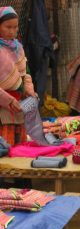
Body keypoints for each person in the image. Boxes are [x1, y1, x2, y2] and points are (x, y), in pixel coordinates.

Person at [0, 6, 37, 188]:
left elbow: (26, 73)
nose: (13, 31)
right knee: (4, 149)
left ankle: (22, 185)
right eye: (8, 27)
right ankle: (4, 187)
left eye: (15, 27)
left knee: (19, 148)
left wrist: (29, 90)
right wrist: (8, 100)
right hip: (3, 108)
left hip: (18, 105)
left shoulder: (18, 48)